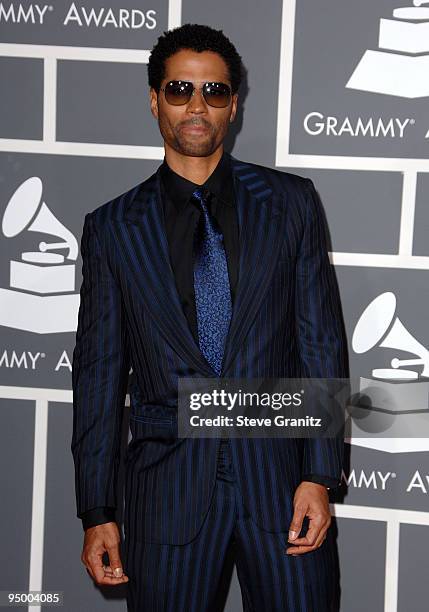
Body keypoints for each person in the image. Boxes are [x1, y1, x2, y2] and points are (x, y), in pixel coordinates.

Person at [71, 22, 349, 612]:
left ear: (233, 104)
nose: (197, 106)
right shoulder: (113, 227)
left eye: (214, 92)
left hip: (283, 488)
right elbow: (98, 376)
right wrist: (97, 511)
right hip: (164, 494)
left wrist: (320, 476)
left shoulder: (292, 204)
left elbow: (319, 342)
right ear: (154, 101)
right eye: (179, 89)